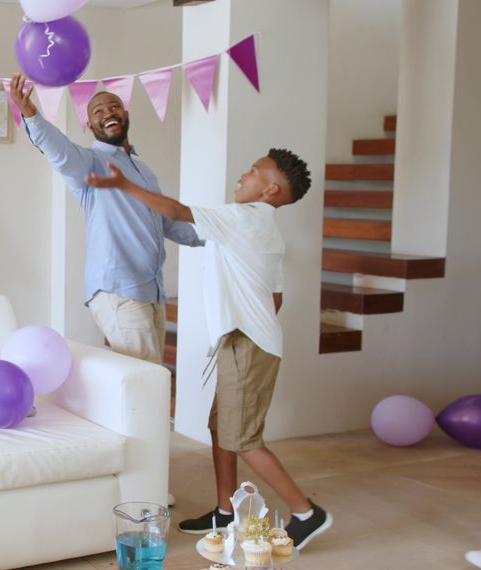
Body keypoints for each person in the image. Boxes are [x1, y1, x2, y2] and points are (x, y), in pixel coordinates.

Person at [85, 148, 332, 550]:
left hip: (248, 344)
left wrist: (123, 185)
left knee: (244, 438)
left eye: (253, 171)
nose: (243, 174)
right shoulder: (265, 228)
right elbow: (276, 296)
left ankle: (306, 513)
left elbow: (178, 212)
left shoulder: (244, 217)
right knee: (221, 428)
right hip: (244, 340)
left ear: (270, 189)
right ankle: (225, 510)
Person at [8, 73, 202, 369]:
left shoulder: (142, 170)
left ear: (125, 115)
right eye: (97, 111)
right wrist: (30, 113)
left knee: (150, 379)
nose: (107, 113)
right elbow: (59, 152)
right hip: (119, 289)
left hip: (151, 289)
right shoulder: (89, 162)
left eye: (113, 107)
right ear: (90, 125)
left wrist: (220, 235)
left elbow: (167, 222)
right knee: (145, 382)